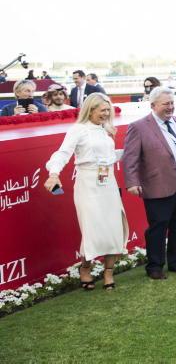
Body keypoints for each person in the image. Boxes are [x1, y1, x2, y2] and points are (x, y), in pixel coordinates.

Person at [123, 87, 176, 280]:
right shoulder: (139, 127)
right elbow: (130, 158)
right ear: (153, 105)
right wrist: (131, 182)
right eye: (166, 104)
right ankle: (155, 266)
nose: (170, 107)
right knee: (158, 227)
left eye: (172, 103)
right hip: (157, 186)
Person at [43, 93, 128, 290]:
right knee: (92, 229)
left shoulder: (105, 129)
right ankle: (85, 268)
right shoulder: (78, 130)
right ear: (90, 110)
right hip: (87, 184)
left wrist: (129, 152)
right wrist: (54, 173)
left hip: (108, 182)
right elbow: (62, 153)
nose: (106, 114)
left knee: (113, 227)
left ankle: (108, 272)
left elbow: (109, 157)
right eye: (102, 110)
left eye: (108, 110)